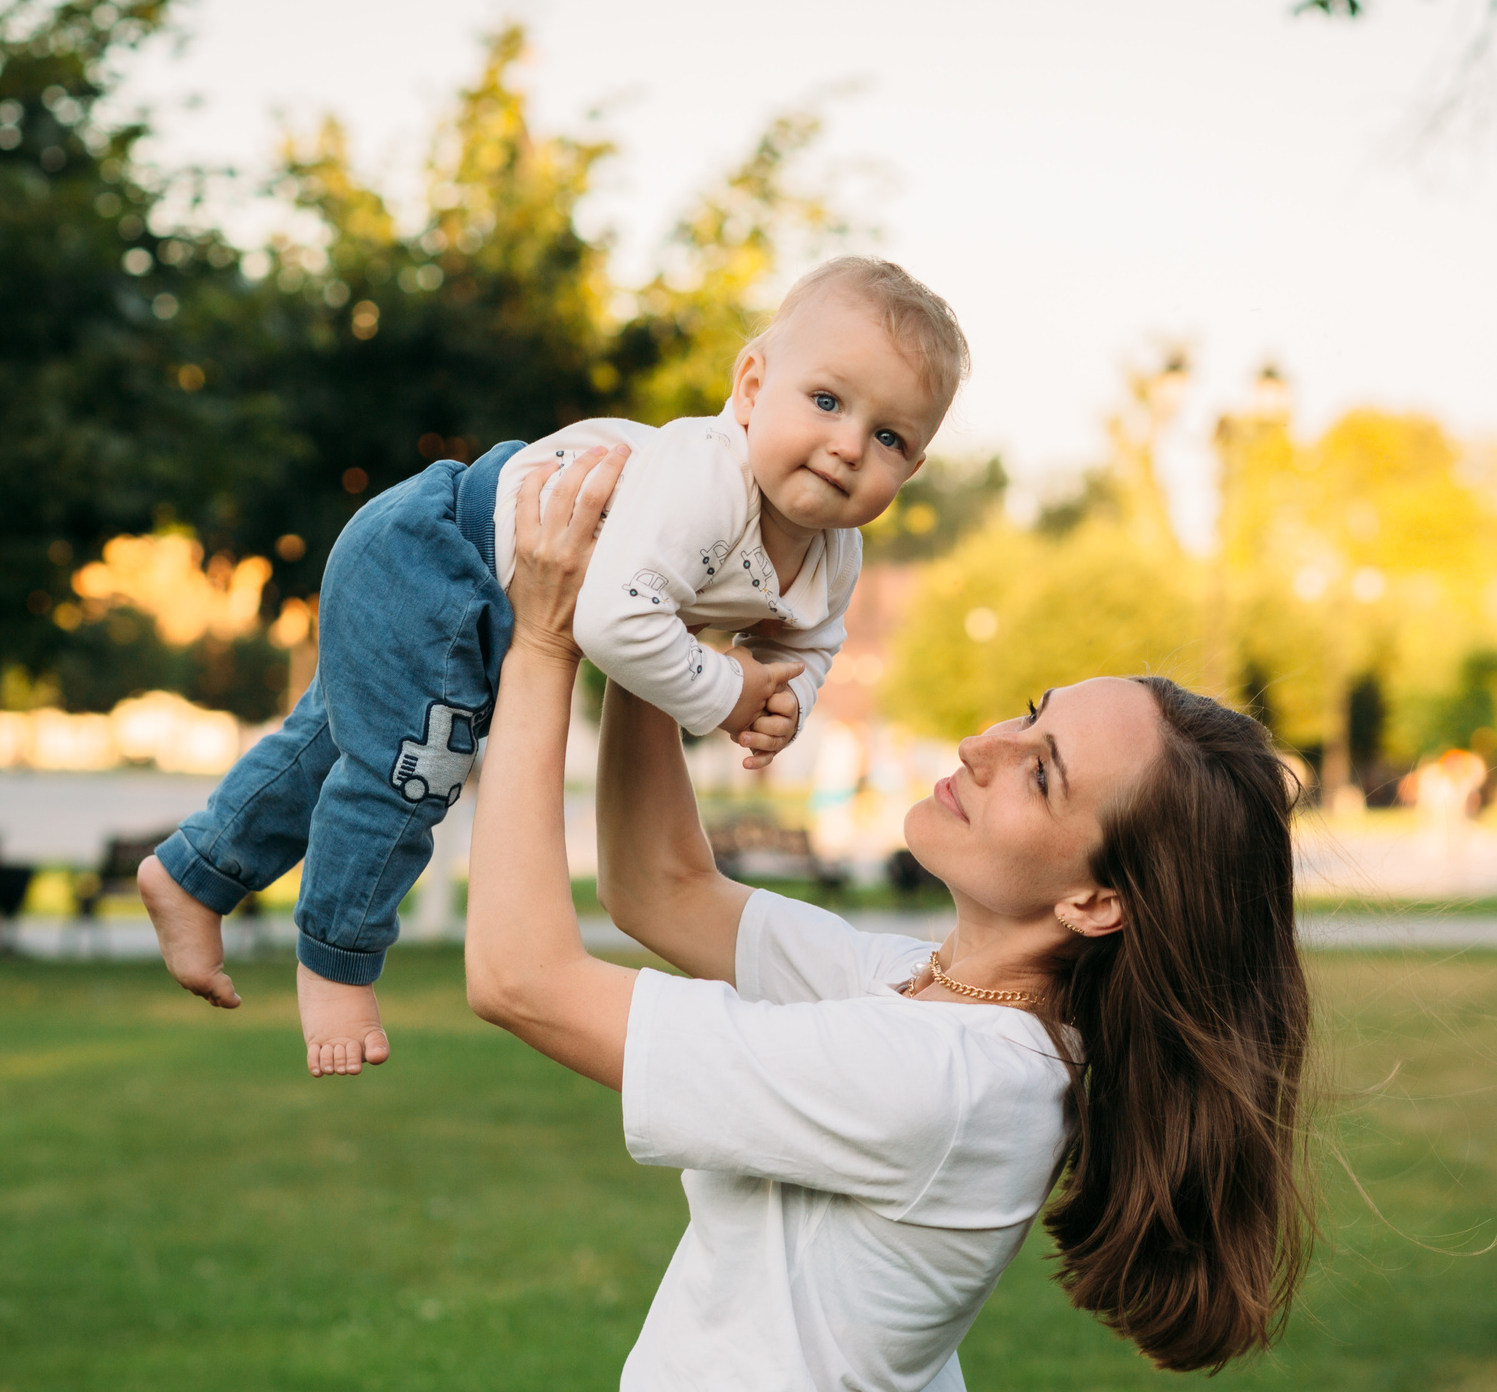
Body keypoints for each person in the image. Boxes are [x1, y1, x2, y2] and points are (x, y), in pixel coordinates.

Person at [471, 447, 1315, 1392]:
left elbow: (519, 978)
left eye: (1043, 772)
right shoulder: (924, 998)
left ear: (1095, 904)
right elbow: (662, 888)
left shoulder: (951, 1081)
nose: (982, 745)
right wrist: (659, 621)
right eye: (1028, 716)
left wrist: (546, 643)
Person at [137, 257, 971, 1075]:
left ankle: (193, 873)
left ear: (914, 464)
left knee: (330, 741)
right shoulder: (707, 480)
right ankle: (335, 967)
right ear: (751, 388)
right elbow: (613, 622)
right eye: (826, 400)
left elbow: (811, 645)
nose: (848, 445)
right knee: (412, 768)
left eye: (889, 435)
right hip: (439, 549)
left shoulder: (836, 555)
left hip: (485, 589)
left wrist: (786, 702)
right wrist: (723, 695)